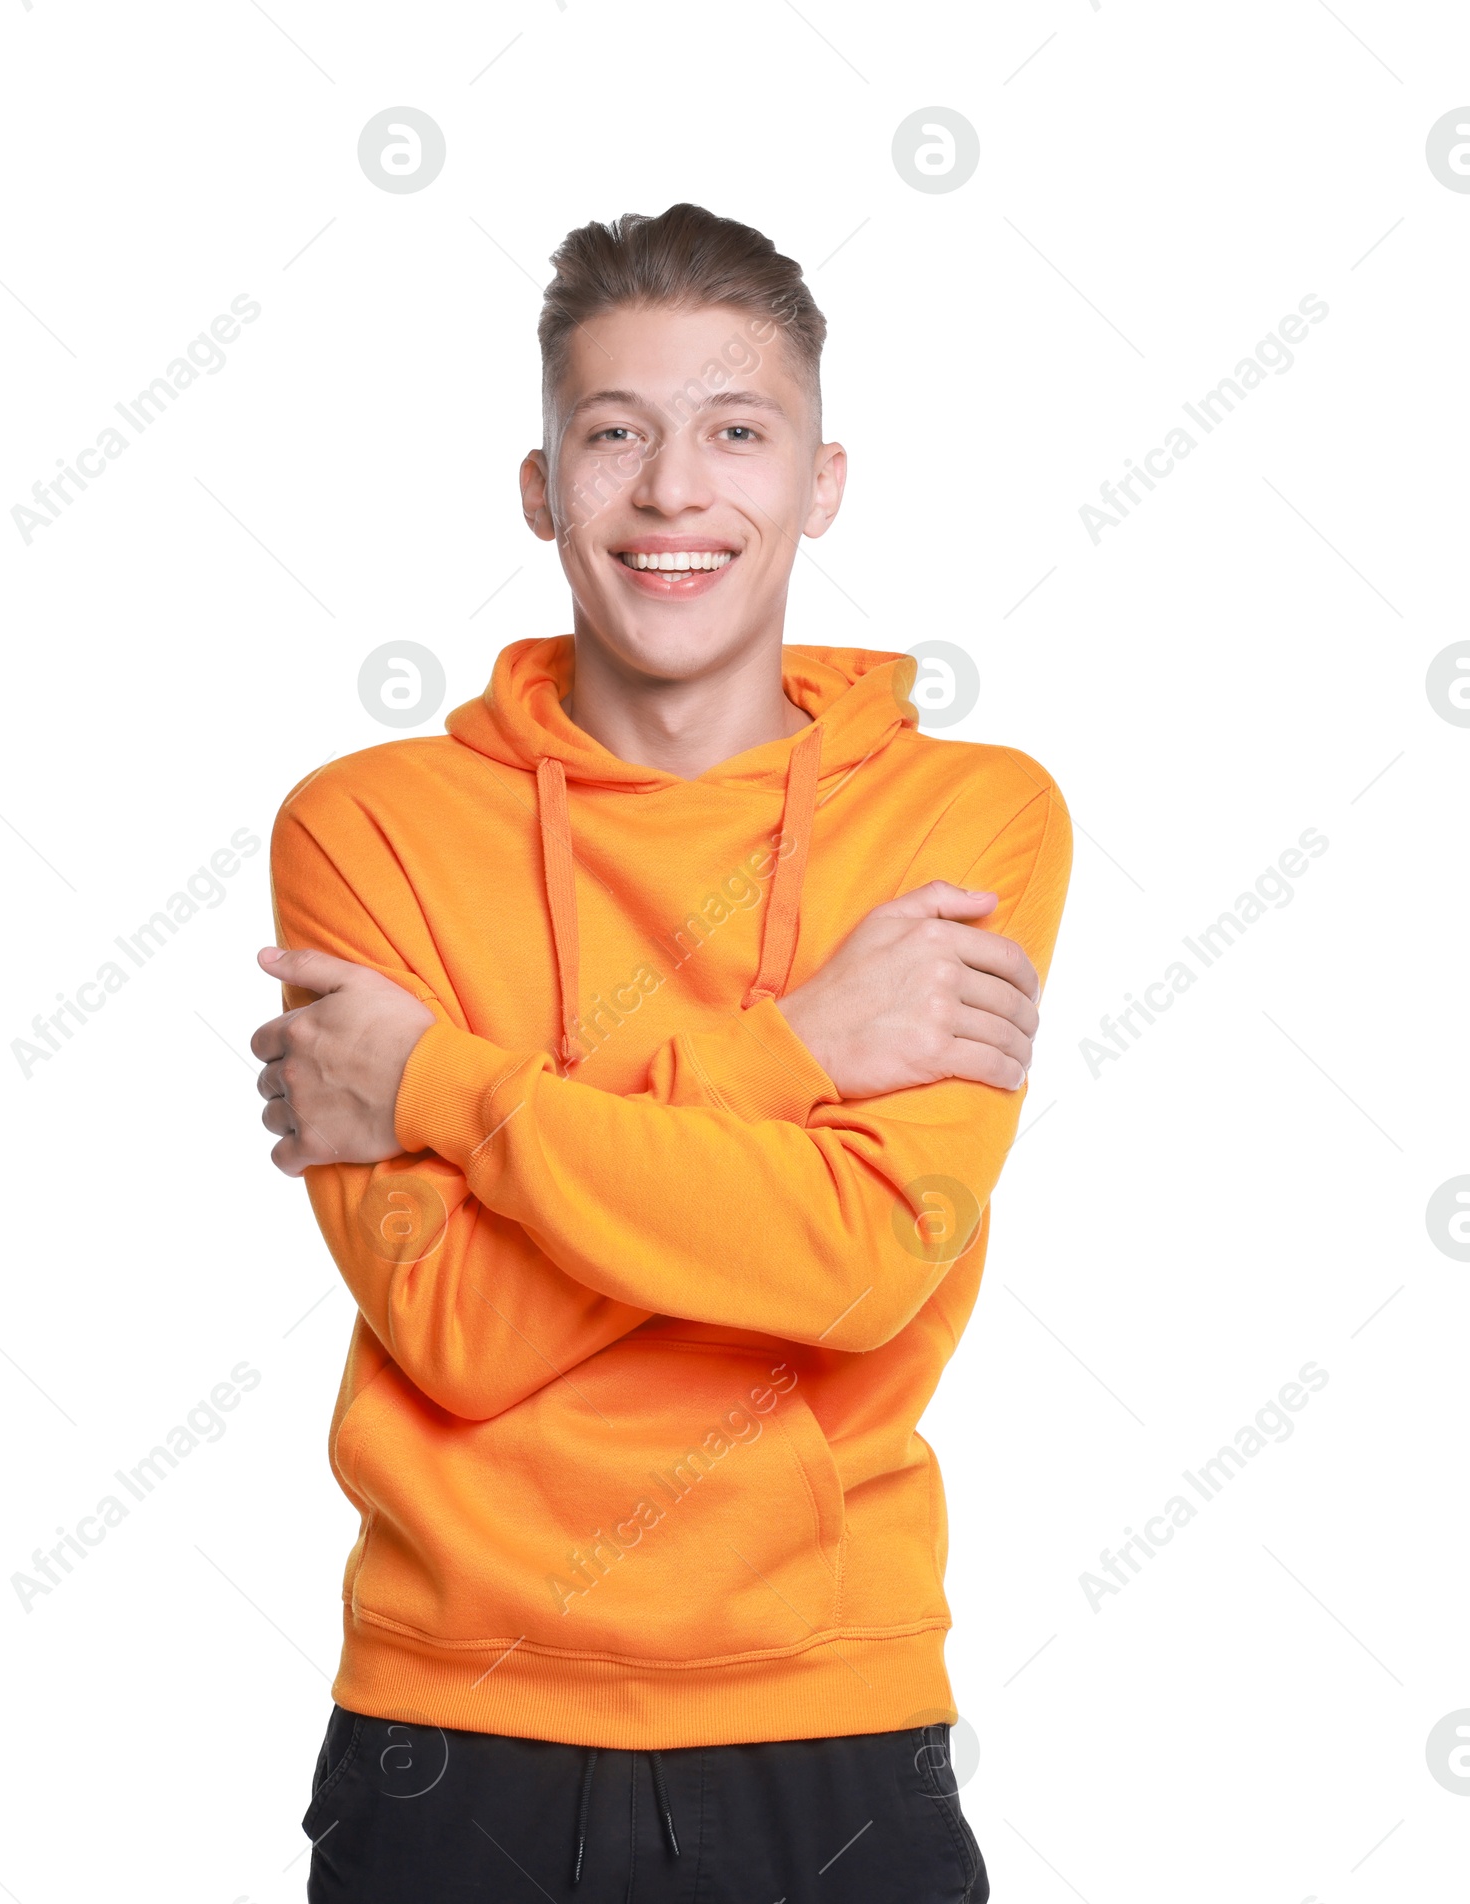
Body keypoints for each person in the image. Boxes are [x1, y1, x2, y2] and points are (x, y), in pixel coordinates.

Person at [251, 201, 1071, 1903]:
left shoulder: (965, 815)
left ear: (822, 482)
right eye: (614, 434)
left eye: (736, 432)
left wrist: (441, 1085)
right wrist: (796, 1057)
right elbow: (461, 1332)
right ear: (543, 485)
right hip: (447, 1736)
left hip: (832, 1723)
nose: (674, 492)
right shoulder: (367, 829)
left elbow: (851, 1271)